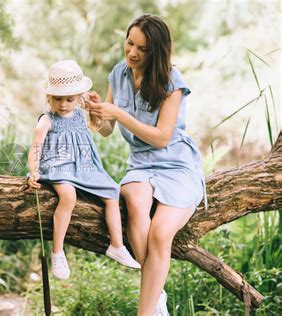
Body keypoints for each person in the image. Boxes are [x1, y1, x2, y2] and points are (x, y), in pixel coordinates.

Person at [86, 14, 206, 315]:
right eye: (129, 43)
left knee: (161, 234)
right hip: (140, 165)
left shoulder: (172, 83)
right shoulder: (119, 74)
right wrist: (98, 114)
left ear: (157, 51)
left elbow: (163, 137)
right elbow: (107, 129)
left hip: (176, 165)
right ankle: (156, 295)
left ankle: (146, 309)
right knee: (135, 199)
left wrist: (119, 113)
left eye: (142, 48)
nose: (133, 53)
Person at [27, 59, 141, 280]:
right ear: (49, 97)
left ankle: (116, 245)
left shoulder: (80, 114)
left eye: (69, 99)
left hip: (85, 167)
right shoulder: (47, 120)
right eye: (57, 99)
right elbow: (36, 147)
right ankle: (58, 252)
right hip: (58, 165)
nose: (63, 104)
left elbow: (99, 127)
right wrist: (34, 170)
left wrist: (95, 107)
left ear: (79, 97)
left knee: (112, 193)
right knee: (68, 196)